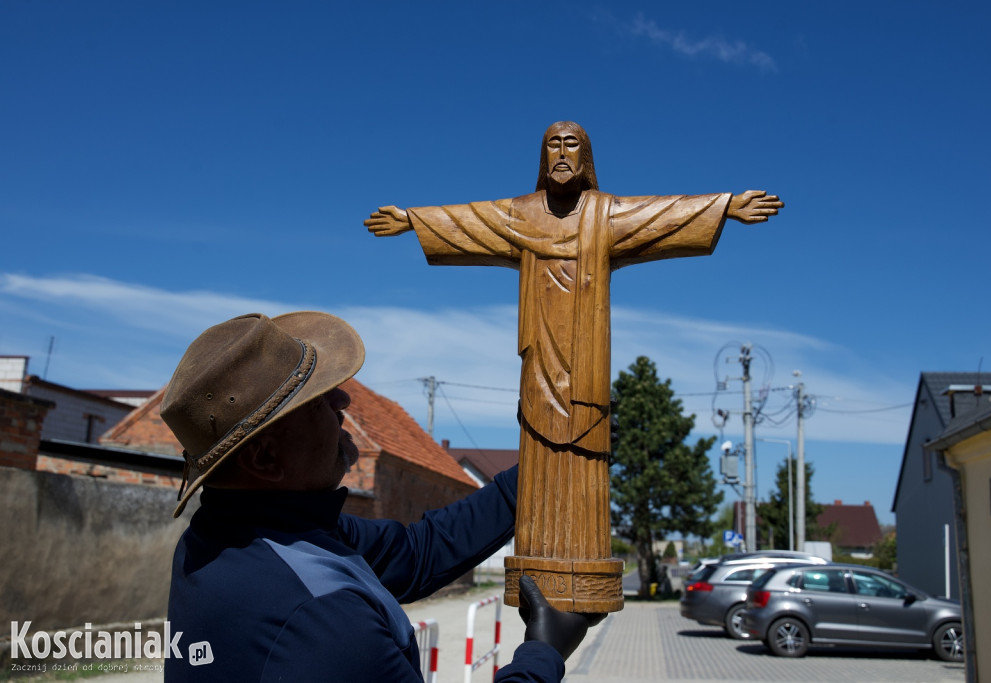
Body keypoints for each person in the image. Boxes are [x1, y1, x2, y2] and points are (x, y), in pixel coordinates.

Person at [365, 121, 784, 602]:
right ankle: (540, 561)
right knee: (540, 453)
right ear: (542, 158)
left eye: (572, 144)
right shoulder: (518, 215)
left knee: (585, 452)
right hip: (540, 364)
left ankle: (584, 564)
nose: (562, 153)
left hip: (586, 366)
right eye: (553, 144)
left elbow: (660, 215)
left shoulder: (605, 215)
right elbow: (469, 220)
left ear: (586, 158)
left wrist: (725, 206)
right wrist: (414, 220)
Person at [160, 311, 596, 682]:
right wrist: (543, 655)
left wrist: (544, 465)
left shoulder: (242, 536)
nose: (342, 400)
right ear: (265, 458)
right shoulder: (321, 619)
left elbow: (420, 551)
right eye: (315, 401)